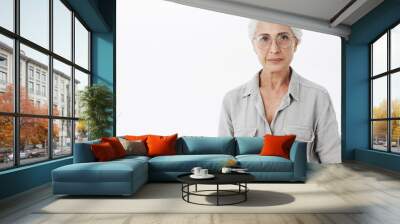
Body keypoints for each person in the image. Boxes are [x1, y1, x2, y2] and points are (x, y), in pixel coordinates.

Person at [218, 20, 341, 163]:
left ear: (296, 43)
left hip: (303, 185)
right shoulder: (232, 100)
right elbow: (225, 162)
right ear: (254, 45)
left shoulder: (318, 97)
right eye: (264, 38)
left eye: (283, 37)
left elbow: (333, 164)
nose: (274, 49)